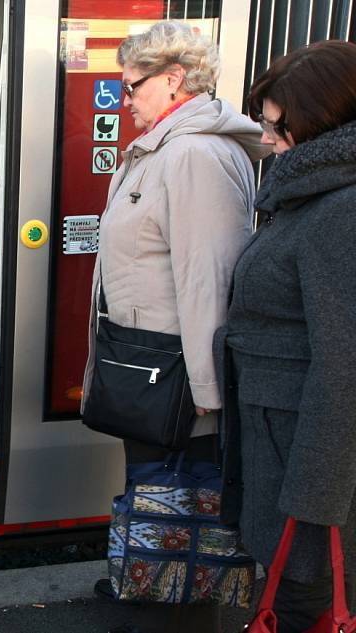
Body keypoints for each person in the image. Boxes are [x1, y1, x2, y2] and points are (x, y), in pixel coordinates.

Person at [80, 21, 269, 633]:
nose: (124, 98)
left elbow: (209, 281)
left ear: (173, 80)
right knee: (158, 502)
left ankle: (172, 614)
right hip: (152, 367)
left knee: (184, 512)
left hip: (180, 381)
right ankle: (147, 592)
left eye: (132, 85)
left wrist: (211, 404)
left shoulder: (194, 157)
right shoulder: (165, 149)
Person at [217, 40, 356, 633]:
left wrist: (314, 504)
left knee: (304, 603)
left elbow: (344, 363)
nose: (267, 139)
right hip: (283, 439)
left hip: (305, 466)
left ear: (321, 121)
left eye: (277, 124)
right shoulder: (315, 195)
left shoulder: (340, 209)